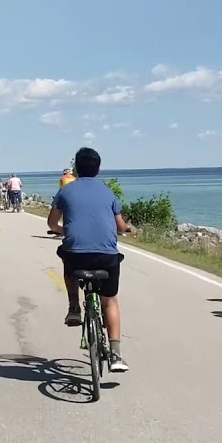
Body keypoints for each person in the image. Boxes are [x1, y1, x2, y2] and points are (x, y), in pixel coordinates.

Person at [46, 147, 134, 372]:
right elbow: (120, 225)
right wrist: (127, 229)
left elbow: (51, 223)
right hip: (106, 257)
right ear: (98, 169)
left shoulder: (66, 191)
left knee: (67, 256)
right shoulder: (107, 192)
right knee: (110, 300)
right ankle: (115, 355)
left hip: (77, 256)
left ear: (76, 168)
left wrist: (62, 231)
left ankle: (74, 306)